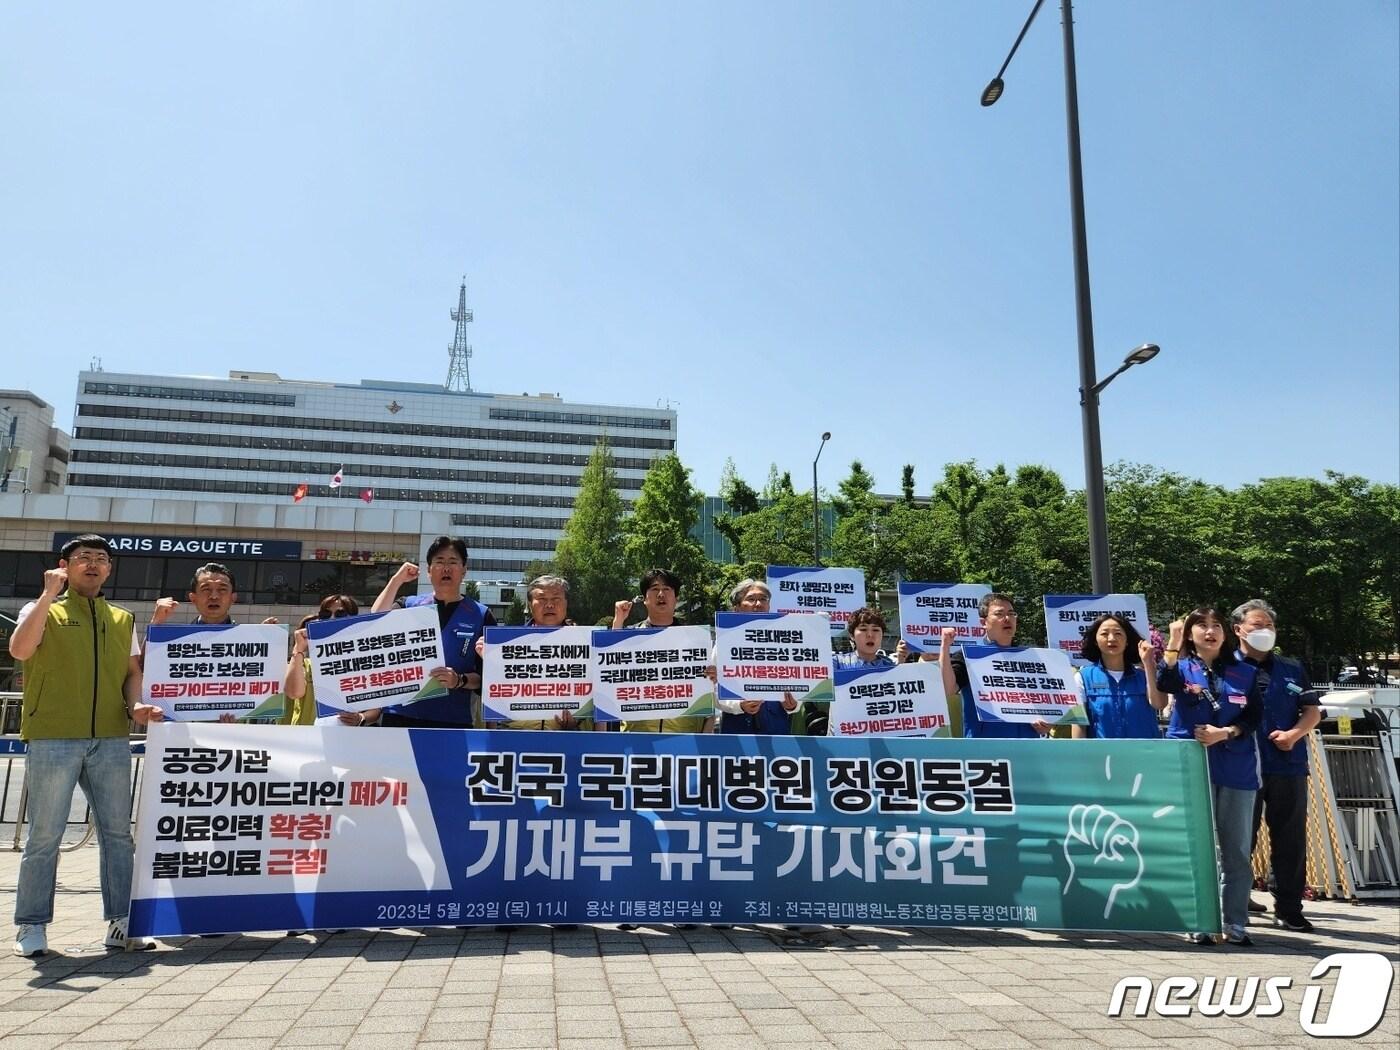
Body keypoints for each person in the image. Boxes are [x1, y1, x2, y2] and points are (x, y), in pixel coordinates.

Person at [9, 534, 162, 958]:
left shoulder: (122, 618)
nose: (92, 565)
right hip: (53, 734)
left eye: (100, 559)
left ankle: (122, 922)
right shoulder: (43, 609)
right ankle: (31, 926)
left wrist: (135, 707)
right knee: (44, 836)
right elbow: (20, 649)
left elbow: (132, 672)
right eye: (83, 558)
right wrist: (46, 594)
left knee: (117, 835)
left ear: (110, 569)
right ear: (65, 565)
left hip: (111, 737)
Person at [1158, 605, 1264, 947]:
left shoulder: (1244, 672)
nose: (1209, 631)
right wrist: (1173, 642)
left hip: (1236, 767)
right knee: (1196, 847)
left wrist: (1227, 732)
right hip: (1191, 763)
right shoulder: (1182, 667)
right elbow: (1164, 682)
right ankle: (1199, 919)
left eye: (1215, 625)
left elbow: (1254, 717)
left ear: (1226, 632)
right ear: (1190, 634)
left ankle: (1236, 923)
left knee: (1234, 849)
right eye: (1200, 626)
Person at [1233, 599, 1322, 933]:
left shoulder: (1291, 667)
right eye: (1257, 626)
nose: (1264, 632)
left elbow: (1312, 710)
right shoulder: (1225, 667)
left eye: (1269, 626)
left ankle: (1288, 907)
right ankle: (1236, 899)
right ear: (1238, 629)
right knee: (1240, 837)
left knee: (1290, 839)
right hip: (1240, 765)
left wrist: (1294, 735)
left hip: (1287, 765)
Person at [369, 537, 495, 729]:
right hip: (399, 715)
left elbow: (488, 676)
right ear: (428, 571)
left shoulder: (480, 614)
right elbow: (375, 620)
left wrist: (459, 680)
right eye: (439, 562)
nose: (446, 568)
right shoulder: (408, 605)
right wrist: (397, 580)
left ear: (464, 570)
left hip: (451, 720)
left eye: (453, 562)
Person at [144, 562, 279, 724]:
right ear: (193, 598)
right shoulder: (174, 643)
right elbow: (143, 668)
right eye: (206, 589)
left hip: (234, 735)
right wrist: (155, 625)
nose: (214, 596)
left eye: (222, 590)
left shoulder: (250, 643)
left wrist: (263, 647)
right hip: (181, 732)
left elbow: (265, 692)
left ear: (233, 598)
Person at [477, 575, 592, 731]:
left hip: (567, 738)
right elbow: (495, 695)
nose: (549, 605)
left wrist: (575, 722)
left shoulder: (586, 644)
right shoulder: (507, 644)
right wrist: (490, 660)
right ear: (530, 604)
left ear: (566, 604)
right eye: (542, 599)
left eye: (556, 599)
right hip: (514, 735)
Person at [938, 593, 1048, 739]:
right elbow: (948, 688)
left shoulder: (1032, 658)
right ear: (983, 622)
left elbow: (1052, 702)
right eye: (999, 614)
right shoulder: (969, 656)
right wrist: (945, 647)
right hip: (985, 749)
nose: (1007, 619)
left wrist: (1049, 723)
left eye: (1011, 613)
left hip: (1026, 747)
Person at [612, 569, 707, 734]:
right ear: (645, 599)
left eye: (667, 589)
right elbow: (610, 668)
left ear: (676, 598)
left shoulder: (696, 639)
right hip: (637, 735)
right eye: (654, 589)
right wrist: (618, 621)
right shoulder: (629, 635)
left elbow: (709, 691)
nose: (661, 594)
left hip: (685, 736)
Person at [714, 579, 798, 735]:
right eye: (751, 599)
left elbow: (802, 679)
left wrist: (793, 704)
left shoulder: (786, 641)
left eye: (763, 599)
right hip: (737, 725)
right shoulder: (724, 642)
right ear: (737, 608)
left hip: (776, 724)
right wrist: (738, 705)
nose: (758, 604)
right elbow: (711, 687)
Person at [1071, 614, 1166, 739]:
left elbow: (1159, 704)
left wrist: (1148, 663)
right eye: (1104, 634)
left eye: (1118, 633)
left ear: (1127, 641)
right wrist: (1081, 756)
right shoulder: (1082, 678)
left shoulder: (1144, 676)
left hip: (1143, 754)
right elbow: (1078, 725)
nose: (1111, 638)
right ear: (1095, 640)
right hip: (1103, 756)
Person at [283, 595, 364, 726]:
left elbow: (375, 708)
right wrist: (298, 650)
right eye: (325, 614)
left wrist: (361, 717)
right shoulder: (306, 663)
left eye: (340, 613)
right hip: (306, 738)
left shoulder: (363, 660)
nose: (332, 618)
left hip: (347, 739)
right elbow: (293, 693)